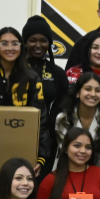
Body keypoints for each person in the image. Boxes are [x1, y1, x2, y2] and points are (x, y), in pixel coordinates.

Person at [0, 27, 51, 174]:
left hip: (22, 153)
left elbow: (41, 119)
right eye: (4, 43)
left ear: (21, 47)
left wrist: (41, 156)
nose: (9, 48)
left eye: (15, 43)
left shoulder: (32, 78)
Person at [22, 15, 71, 178]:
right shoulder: (15, 69)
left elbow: (65, 104)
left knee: (40, 183)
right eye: (32, 40)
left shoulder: (57, 73)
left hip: (47, 139)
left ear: (49, 43)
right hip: (18, 132)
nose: (38, 45)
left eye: (43, 40)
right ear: (25, 42)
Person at [53, 72, 100, 172]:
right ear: (78, 93)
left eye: (97, 91)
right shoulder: (63, 119)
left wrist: (94, 181)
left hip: (98, 174)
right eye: (88, 89)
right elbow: (68, 154)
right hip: (68, 171)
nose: (93, 94)